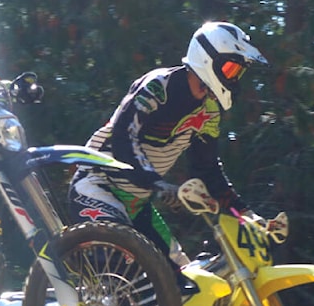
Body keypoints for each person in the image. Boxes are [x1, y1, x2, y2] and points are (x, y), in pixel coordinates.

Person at [68, 21, 285, 277]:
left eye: (238, 73)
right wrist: (158, 184)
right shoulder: (158, 86)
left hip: (137, 204)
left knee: (182, 283)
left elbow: (207, 170)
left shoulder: (209, 111)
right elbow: (124, 138)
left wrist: (246, 214)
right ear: (207, 59)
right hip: (97, 184)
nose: (234, 79)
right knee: (124, 264)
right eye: (230, 69)